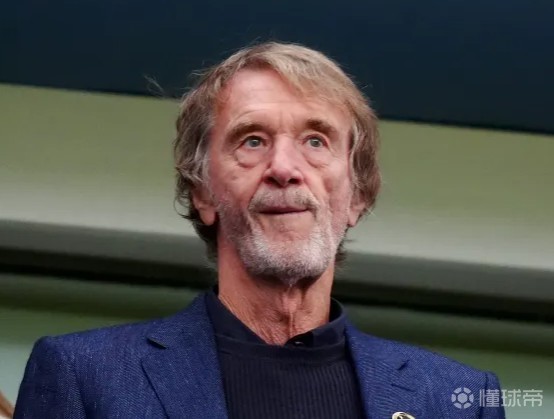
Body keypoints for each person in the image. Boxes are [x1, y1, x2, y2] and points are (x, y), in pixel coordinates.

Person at [14, 42, 505, 419]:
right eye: (252, 141)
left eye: (316, 141)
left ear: (357, 196)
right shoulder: (85, 377)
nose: (284, 168)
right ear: (203, 192)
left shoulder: (457, 399)